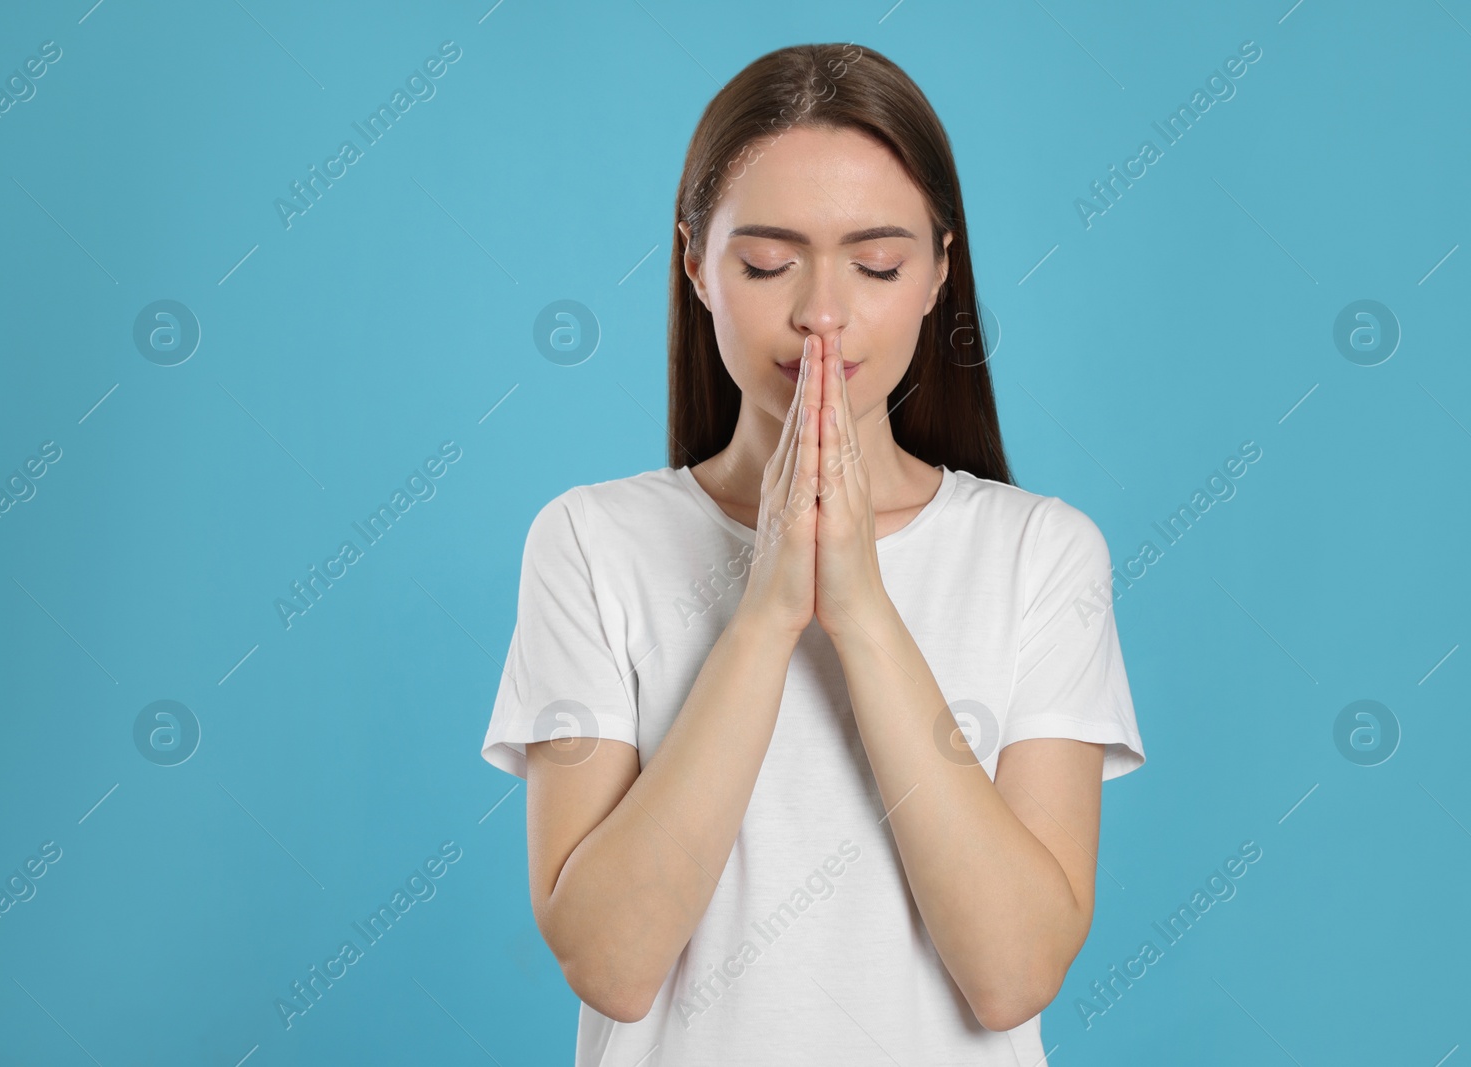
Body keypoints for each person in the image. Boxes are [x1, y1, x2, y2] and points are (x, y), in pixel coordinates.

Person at [480, 41, 1145, 1066]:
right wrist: (765, 610)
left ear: (936, 274)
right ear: (695, 264)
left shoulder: (1040, 555)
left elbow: (1012, 973)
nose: (821, 313)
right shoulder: (589, 541)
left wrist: (862, 610)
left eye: (875, 264)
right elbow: (610, 959)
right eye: (767, 262)